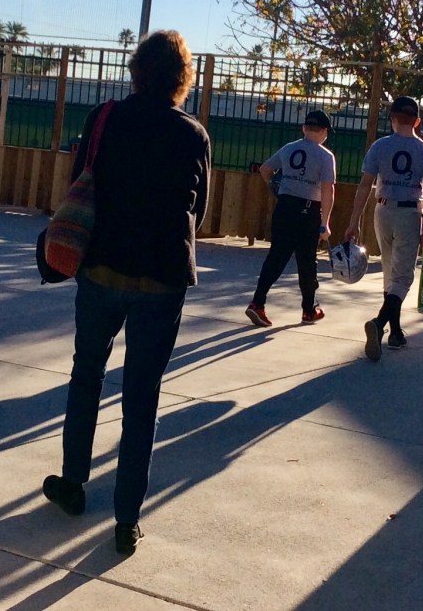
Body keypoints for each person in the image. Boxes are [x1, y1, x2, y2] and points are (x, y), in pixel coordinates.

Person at [41, 30, 211, 556]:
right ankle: (126, 519)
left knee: (86, 374)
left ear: (136, 70)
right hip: (161, 278)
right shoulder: (193, 134)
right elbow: (197, 211)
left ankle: (73, 483)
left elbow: (78, 182)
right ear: (182, 79)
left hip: (101, 271)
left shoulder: (105, 118)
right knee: (143, 396)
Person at [344, 95, 423, 361]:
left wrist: (354, 222)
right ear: (417, 121)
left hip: (382, 209)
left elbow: (365, 186)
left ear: (392, 118)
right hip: (409, 211)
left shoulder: (380, 146)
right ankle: (379, 323)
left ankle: (395, 332)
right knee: (402, 277)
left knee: (390, 272)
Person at [245, 111, 336, 327]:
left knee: (276, 256)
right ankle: (308, 308)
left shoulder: (289, 148)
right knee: (307, 261)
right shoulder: (325, 156)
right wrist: (325, 222)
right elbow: (328, 189)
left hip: (285, 206)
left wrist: (275, 187)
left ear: (304, 128)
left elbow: (266, 169)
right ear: (324, 132)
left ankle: (258, 302)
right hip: (308, 209)